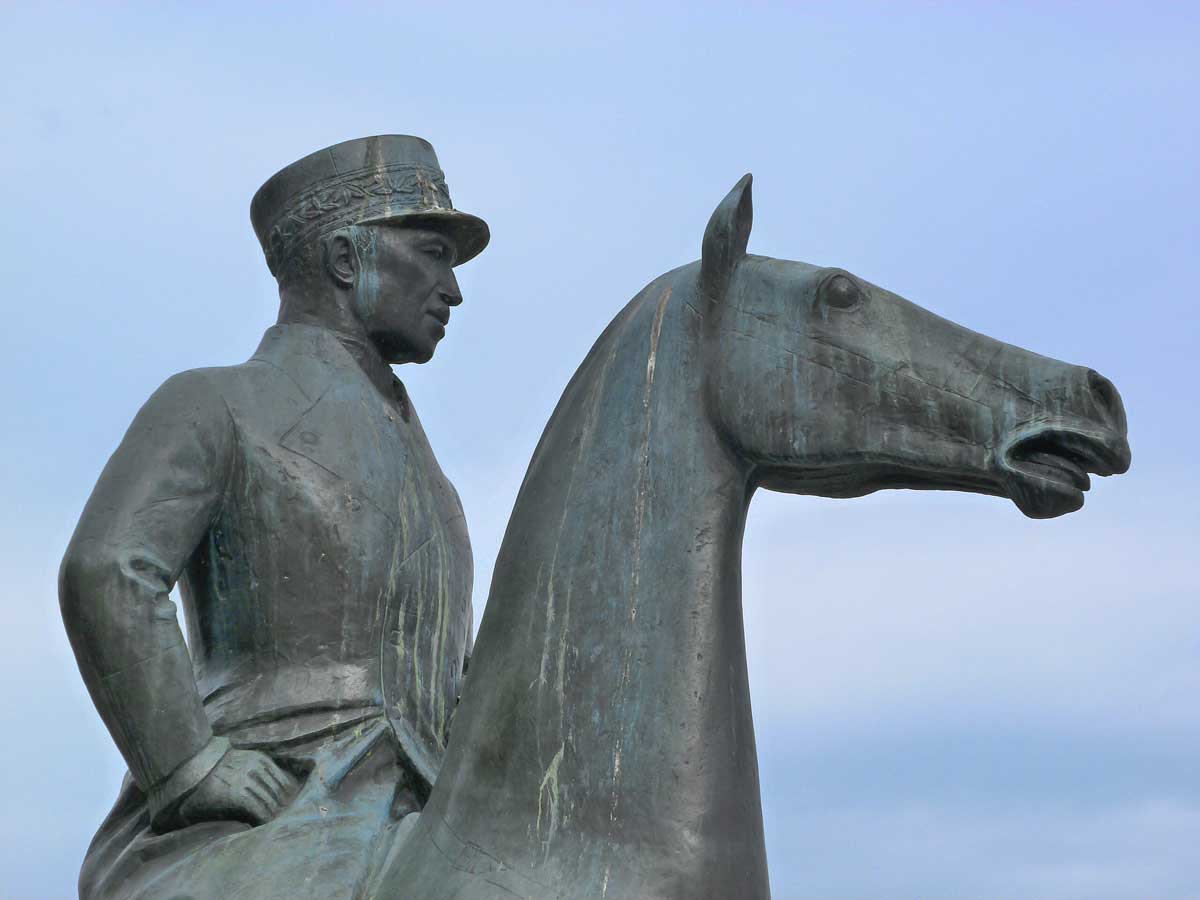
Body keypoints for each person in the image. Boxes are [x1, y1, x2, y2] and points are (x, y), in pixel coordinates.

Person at [59, 135, 488, 900]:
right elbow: (109, 569)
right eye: (431, 252)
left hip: (423, 813)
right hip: (273, 811)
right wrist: (192, 766)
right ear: (346, 260)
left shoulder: (435, 481)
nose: (452, 289)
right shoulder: (214, 403)